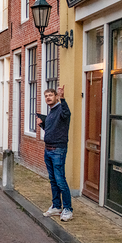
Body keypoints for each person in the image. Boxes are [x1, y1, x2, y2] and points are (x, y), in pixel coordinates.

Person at [38, 85, 73, 222]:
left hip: (58, 150)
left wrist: (63, 98)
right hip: (48, 150)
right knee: (53, 180)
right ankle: (57, 206)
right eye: (46, 96)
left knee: (60, 180)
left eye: (50, 95)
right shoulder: (52, 112)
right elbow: (52, 130)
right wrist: (42, 125)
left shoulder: (60, 109)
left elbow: (67, 114)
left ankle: (68, 209)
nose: (48, 98)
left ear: (56, 97)